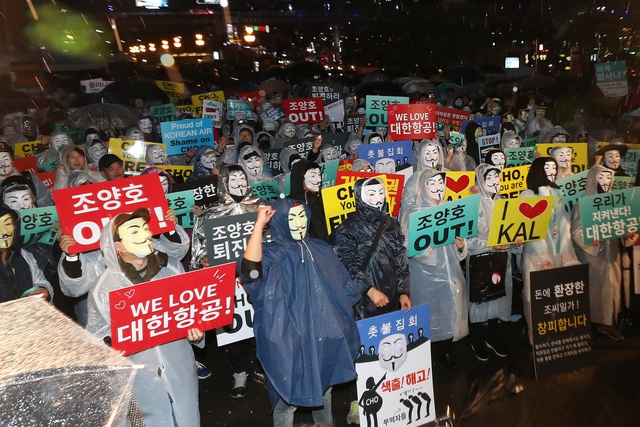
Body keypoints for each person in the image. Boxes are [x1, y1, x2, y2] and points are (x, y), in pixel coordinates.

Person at [238, 199, 361, 427]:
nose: (299, 223)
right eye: (291, 218)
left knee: (325, 388)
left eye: (302, 216)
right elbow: (251, 273)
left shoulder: (321, 248)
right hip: (289, 339)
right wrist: (258, 226)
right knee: (287, 398)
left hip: (325, 335)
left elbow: (344, 287)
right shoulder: (272, 255)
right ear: (279, 222)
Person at [86, 208, 203, 427]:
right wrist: (110, 349)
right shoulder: (103, 287)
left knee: (185, 417)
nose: (146, 235)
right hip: (138, 377)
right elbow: (97, 334)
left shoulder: (172, 268)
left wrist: (196, 332)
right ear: (117, 246)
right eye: (134, 232)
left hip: (178, 363)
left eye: (145, 228)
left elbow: (192, 310)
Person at [330, 177, 411, 425]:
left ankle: (390, 392)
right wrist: (369, 290)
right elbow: (346, 264)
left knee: (389, 347)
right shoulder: (348, 228)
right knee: (363, 348)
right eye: (371, 194)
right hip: (361, 300)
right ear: (359, 196)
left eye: (381, 193)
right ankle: (359, 399)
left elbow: (401, 259)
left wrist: (405, 291)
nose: (377, 198)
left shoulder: (392, 224)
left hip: (391, 296)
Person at [191, 164, 267, 395]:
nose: (239, 183)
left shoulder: (260, 206)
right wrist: (203, 260)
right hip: (227, 282)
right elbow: (198, 248)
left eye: (242, 178)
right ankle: (238, 373)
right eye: (233, 179)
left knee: (261, 327)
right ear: (223, 182)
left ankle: (261, 367)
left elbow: (275, 238)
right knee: (233, 332)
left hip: (257, 279)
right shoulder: (211, 214)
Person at [400, 168, 468, 368]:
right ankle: (432, 356)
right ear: (423, 187)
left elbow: (463, 239)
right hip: (426, 276)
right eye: (433, 183)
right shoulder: (414, 213)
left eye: (441, 183)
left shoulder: (451, 208)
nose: (438, 187)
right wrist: (425, 251)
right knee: (431, 314)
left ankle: (448, 350)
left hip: (451, 271)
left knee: (450, 311)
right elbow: (408, 247)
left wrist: (462, 246)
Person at [520, 157, 580, 344]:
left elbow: (564, 221)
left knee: (554, 294)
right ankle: (535, 337)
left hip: (556, 250)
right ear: (539, 170)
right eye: (547, 168)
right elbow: (529, 226)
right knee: (535, 294)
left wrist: (565, 250)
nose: (552, 171)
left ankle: (553, 332)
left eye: (554, 168)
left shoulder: (557, 192)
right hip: (535, 254)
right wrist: (541, 256)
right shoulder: (527, 194)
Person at [571, 165, 635, 340]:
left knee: (612, 287)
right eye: (602, 178)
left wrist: (628, 234)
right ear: (593, 179)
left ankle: (610, 321)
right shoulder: (582, 204)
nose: (606, 182)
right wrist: (590, 240)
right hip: (594, 256)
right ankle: (600, 323)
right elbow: (577, 231)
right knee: (597, 289)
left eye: (609, 178)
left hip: (612, 253)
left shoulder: (615, 203)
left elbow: (623, 225)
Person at [465, 164, 514, 361]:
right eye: (490, 178)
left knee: (499, 297)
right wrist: (492, 244)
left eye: (497, 177)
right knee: (480, 299)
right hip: (481, 261)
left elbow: (513, 230)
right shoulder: (473, 204)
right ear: (481, 181)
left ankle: (493, 336)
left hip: (502, 260)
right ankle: (477, 339)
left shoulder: (505, 203)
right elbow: (468, 240)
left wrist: (516, 240)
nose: (495, 182)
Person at [0, 205, 53, 303]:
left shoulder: (24, 255)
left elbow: (40, 281)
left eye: (8, 224)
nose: (5, 232)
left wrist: (44, 291)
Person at [288, 159, 327, 241]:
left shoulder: (323, 198)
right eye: (313, 176)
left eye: (319, 175)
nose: (319, 180)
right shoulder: (290, 204)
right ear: (300, 178)